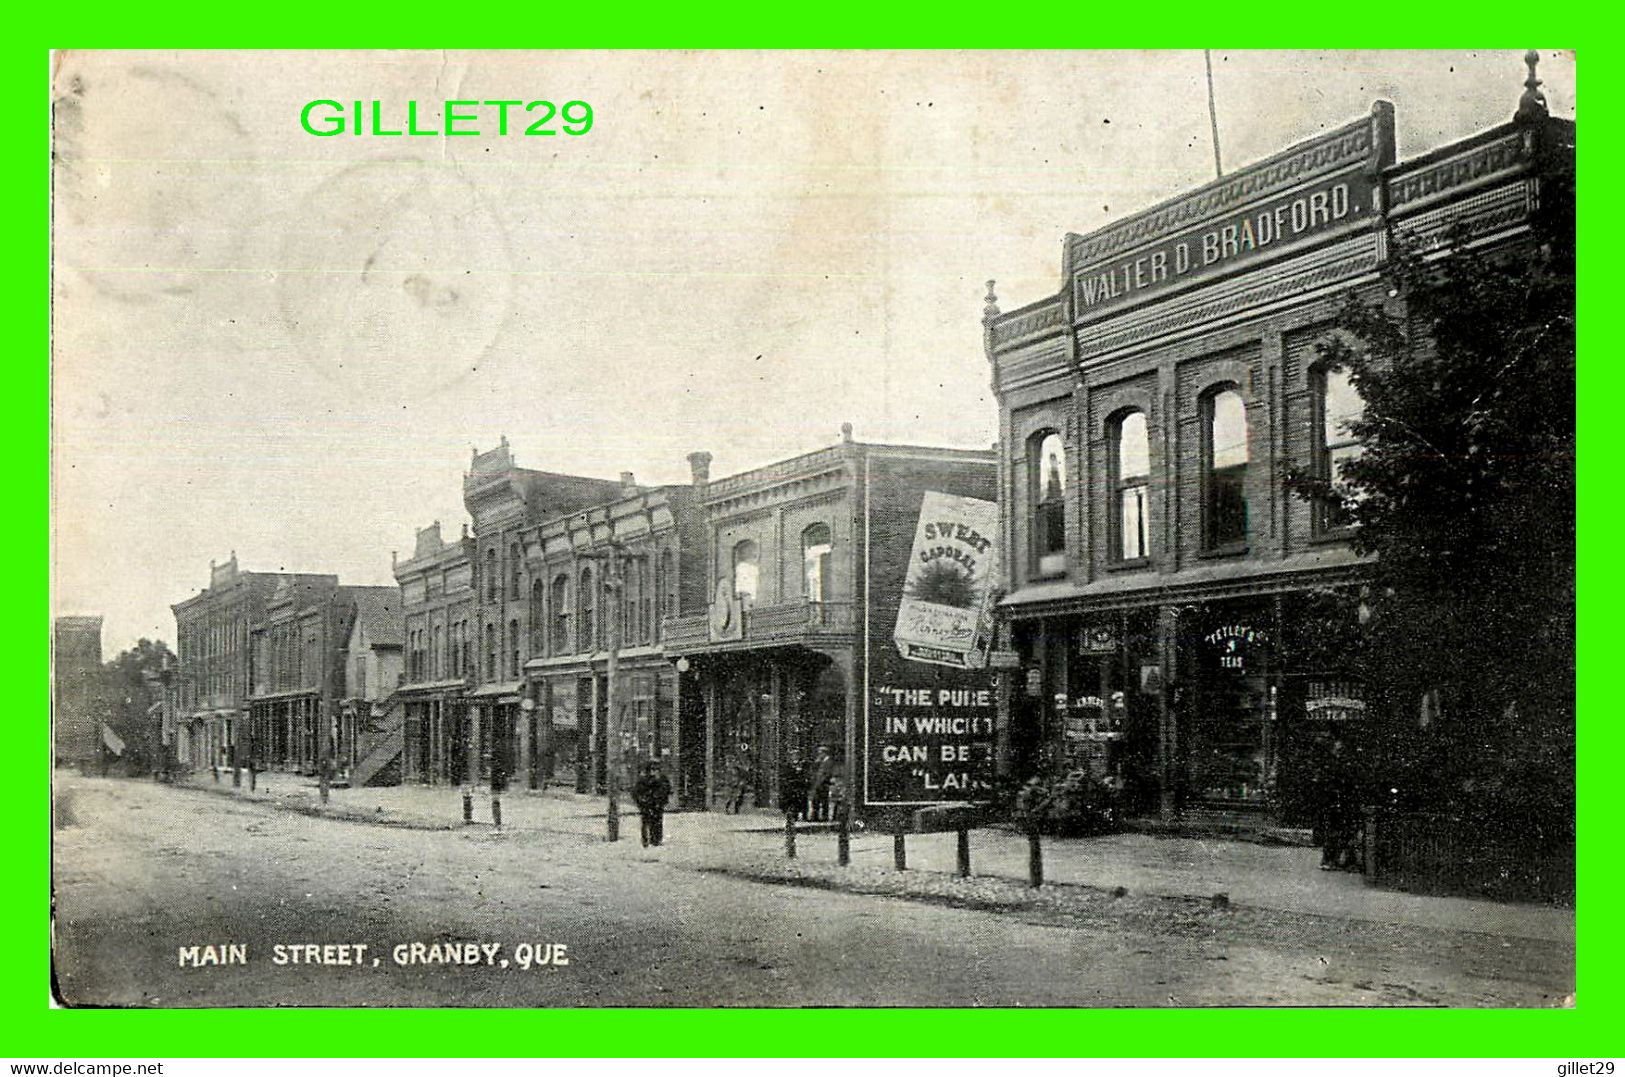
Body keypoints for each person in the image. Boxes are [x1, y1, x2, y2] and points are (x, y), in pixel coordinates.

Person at [632, 762, 673, 847]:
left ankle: (656, 839)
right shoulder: (644, 780)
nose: (655, 771)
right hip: (646, 805)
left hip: (657, 805)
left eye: (656, 769)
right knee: (646, 822)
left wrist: (662, 800)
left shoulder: (662, 779)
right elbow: (636, 793)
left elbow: (667, 790)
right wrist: (641, 802)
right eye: (653, 769)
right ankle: (646, 839)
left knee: (657, 821)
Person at [780, 750, 809, 822]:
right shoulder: (788, 765)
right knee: (792, 801)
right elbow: (785, 774)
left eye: (796, 755)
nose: (795, 756)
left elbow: (805, 774)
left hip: (800, 785)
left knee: (802, 800)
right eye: (793, 755)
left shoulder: (803, 764)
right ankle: (793, 815)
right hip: (791, 785)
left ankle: (804, 815)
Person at [808, 745, 836, 822]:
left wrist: (821, 782)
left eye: (820, 753)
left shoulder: (829, 762)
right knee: (816, 800)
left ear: (824, 753)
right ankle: (816, 816)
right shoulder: (821, 762)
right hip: (819, 784)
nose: (819, 755)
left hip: (824, 784)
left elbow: (827, 774)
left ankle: (824, 817)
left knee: (823, 801)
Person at [725, 742, 753, 814]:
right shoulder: (736, 759)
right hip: (736, 778)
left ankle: (735, 809)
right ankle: (729, 808)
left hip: (741, 778)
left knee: (739, 794)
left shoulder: (745, 759)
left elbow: (746, 768)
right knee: (734, 794)